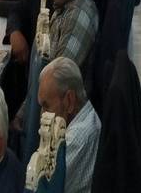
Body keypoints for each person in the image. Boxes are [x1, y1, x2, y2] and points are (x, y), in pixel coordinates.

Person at [38, 58, 100, 193]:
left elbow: (41, 188)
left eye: (46, 106)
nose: (42, 115)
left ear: (69, 100)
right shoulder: (88, 110)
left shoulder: (74, 140)